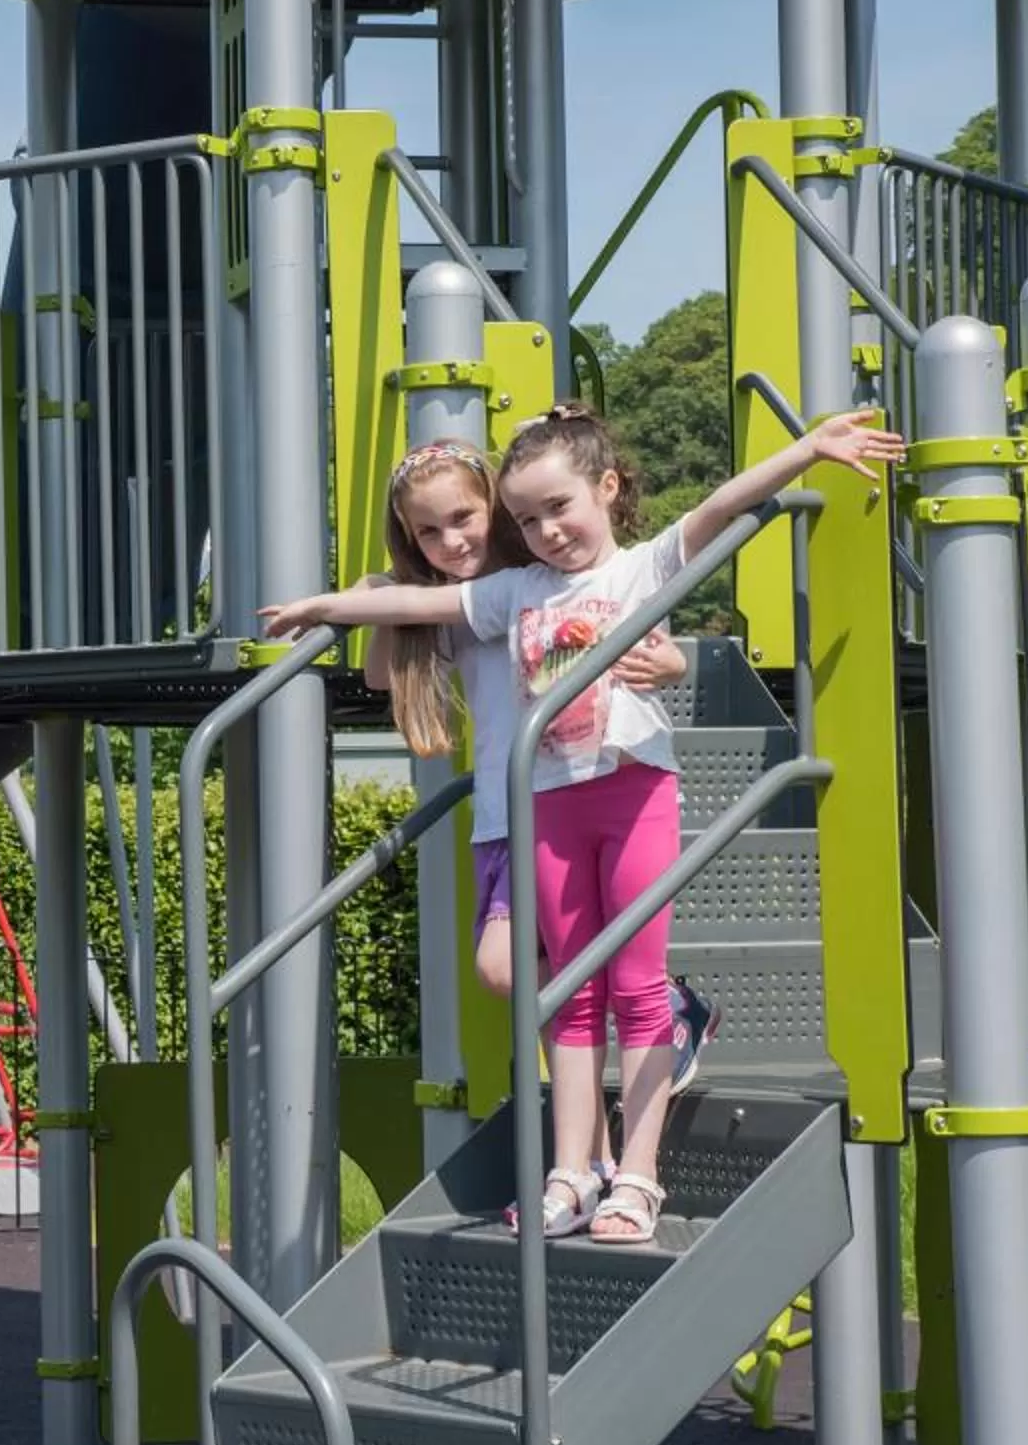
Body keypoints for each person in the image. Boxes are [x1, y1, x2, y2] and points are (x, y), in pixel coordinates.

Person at [266, 402, 902, 1242]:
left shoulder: (640, 569)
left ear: (606, 489)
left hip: (630, 791)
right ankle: (574, 1172)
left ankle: (637, 1178)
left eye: (557, 508)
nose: (546, 530)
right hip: (544, 801)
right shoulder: (515, 590)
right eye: (527, 519)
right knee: (567, 996)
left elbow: (718, 507)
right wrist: (324, 607)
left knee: (634, 990)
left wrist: (808, 449)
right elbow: (421, 616)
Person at [360, 440, 721, 1219]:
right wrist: (380, 595)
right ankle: (586, 1158)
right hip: (502, 817)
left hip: (557, 802)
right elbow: (382, 676)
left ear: (499, 513)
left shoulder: (528, 590)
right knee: (556, 988)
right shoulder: (472, 603)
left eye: (464, 519)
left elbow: (632, 615)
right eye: (428, 533)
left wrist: (680, 664)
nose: (453, 541)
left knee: (532, 977)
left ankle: (621, 1097)